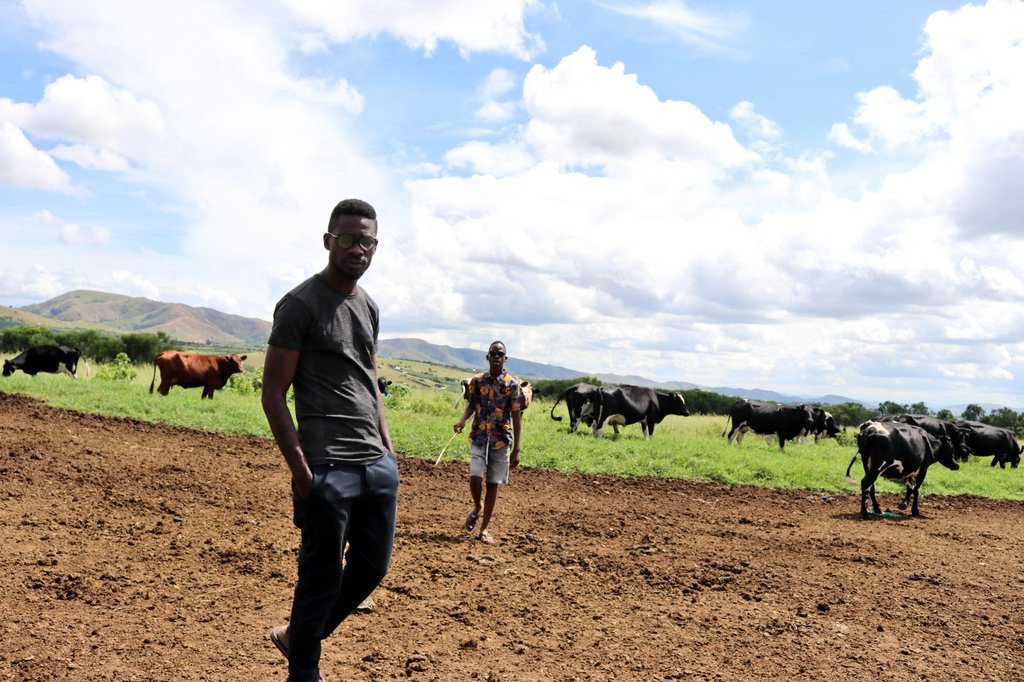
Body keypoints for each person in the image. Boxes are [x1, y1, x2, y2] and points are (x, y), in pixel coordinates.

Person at [262, 198, 399, 682]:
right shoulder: (300, 304)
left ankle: (297, 637)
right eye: (347, 238)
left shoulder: (369, 306)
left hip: (376, 464)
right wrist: (303, 473)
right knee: (319, 578)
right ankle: (304, 670)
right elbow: (273, 393)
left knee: (371, 568)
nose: (357, 248)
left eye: (367, 240)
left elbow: (370, 377)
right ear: (328, 240)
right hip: (327, 466)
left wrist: (388, 448)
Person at [453, 340, 525, 544]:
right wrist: (461, 421)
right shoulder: (477, 381)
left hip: (501, 440)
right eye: (493, 353)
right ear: (487, 356)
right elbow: (471, 405)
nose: (496, 356)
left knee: (493, 483)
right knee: (475, 477)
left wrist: (517, 449)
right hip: (478, 436)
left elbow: (517, 419)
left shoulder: (512, 385)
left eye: (500, 354)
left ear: (505, 358)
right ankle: (477, 505)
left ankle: (484, 529)